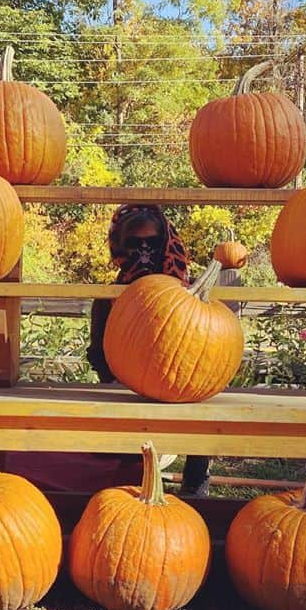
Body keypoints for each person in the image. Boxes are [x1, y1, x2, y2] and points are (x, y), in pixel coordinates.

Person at [86, 204, 212, 496]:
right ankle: (132, 478)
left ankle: (196, 478)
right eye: (134, 245)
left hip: (178, 387)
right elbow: (97, 354)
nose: (143, 253)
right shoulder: (110, 297)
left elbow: (204, 350)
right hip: (126, 389)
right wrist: (122, 380)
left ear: (165, 244)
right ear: (120, 247)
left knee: (201, 403)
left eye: (151, 244)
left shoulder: (186, 295)